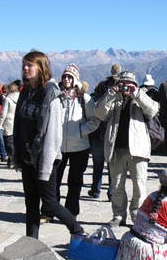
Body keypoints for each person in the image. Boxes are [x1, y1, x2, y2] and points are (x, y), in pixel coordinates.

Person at [13, 51, 84, 239]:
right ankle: (31, 241)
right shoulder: (26, 92)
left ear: (41, 68)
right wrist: (17, 154)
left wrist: (45, 168)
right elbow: (18, 124)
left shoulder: (50, 95)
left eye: (30, 65)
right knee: (30, 203)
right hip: (28, 157)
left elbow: (52, 136)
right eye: (24, 65)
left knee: (50, 204)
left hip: (45, 159)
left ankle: (76, 229)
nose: (25, 68)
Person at [94, 70, 159, 228]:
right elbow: (99, 113)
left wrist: (136, 93)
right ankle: (118, 215)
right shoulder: (114, 99)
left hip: (138, 149)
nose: (125, 87)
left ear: (135, 85)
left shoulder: (141, 97)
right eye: (122, 83)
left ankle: (138, 216)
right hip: (116, 149)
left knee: (139, 186)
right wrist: (111, 94)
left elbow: (153, 109)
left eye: (129, 84)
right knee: (117, 186)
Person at [56, 64, 99, 220]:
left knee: (75, 181)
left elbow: (94, 121)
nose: (66, 79)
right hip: (58, 146)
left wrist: (80, 131)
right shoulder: (57, 96)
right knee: (54, 180)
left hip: (80, 147)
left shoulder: (84, 99)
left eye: (70, 77)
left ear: (75, 79)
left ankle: (71, 212)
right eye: (64, 77)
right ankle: (52, 210)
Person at [88, 64, 121, 199]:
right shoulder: (123, 87)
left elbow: (94, 99)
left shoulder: (103, 86)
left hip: (99, 129)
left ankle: (96, 190)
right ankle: (111, 192)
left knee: (98, 165)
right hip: (114, 131)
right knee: (112, 165)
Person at [0, 82, 19, 167]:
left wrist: (0, 123)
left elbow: (4, 113)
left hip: (9, 122)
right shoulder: (20, 97)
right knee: (16, 142)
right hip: (17, 121)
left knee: (9, 142)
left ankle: (11, 159)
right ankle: (16, 159)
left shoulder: (7, 99)